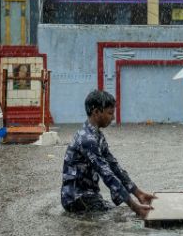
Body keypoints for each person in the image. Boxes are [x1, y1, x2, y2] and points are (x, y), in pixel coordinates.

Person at [60, 90, 156, 218]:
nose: (113, 118)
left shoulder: (97, 136)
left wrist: (138, 193)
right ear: (96, 112)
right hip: (76, 198)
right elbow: (107, 175)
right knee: (125, 217)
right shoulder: (87, 139)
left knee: (122, 213)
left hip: (89, 195)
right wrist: (134, 207)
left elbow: (113, 166)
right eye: (110, 113)